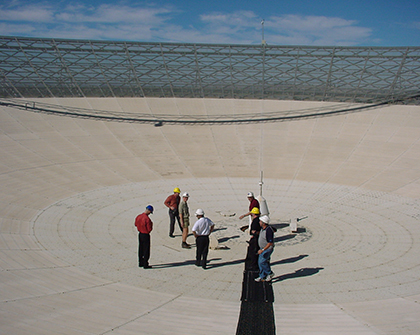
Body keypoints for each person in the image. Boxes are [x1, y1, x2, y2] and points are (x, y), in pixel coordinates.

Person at [255, 215, 275, 282]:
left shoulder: (268, 230)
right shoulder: (262, 229)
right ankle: (262, 276)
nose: (259, 222)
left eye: (260, 221)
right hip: (262, 248)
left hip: (267, 249)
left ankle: (269, 273)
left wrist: (263, 250)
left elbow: (270, 243)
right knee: (260, 262)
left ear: (264, 223)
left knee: (262, 262)